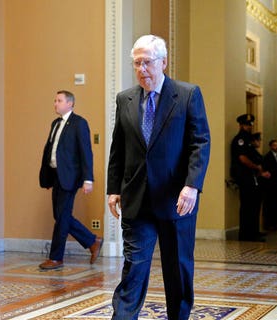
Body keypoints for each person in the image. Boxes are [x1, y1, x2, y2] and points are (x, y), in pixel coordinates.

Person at [107, 34, 211, 320]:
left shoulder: (188, 95)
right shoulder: (124, 99)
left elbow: (200, 142)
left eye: (147, 62)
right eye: (137, 63)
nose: (142, 69)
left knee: (177, 268)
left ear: (163, 62)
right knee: (134, 267)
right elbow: (119, 147)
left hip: (176, 200)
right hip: (136, 200)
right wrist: (113, 188)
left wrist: (192, 185)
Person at [38, 90, 103, 269]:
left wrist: (88, 179)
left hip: (70, 177)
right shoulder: (55, 123)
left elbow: (86, 152)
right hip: (56, 176)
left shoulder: (79, 123)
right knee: (60, 216)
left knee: (62, 217)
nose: (55, 104)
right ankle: (92, 241)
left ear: (70, 104)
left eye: (59, 101)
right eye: (55, 100)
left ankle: (56, 257)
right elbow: (51, 150)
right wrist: (47, 178)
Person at [230, 115, 267, 242]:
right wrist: (256, 167)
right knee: (247, 206)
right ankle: (246, 234)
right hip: (244, 177)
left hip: (251, 177)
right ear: (241, 125)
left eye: (250, 124)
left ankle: (253, 231)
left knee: (254, 205)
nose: (249, 127)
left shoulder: (248, 140)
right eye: (247, 124)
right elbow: (242, 158)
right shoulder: (240, 140)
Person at [262, 139, 277, 230]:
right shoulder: (268, 157)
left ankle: (276, 223)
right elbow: (269, 170)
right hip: (271, 184)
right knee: (270, 204)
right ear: (271, 146)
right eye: (275, 145)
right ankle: (270, 224)